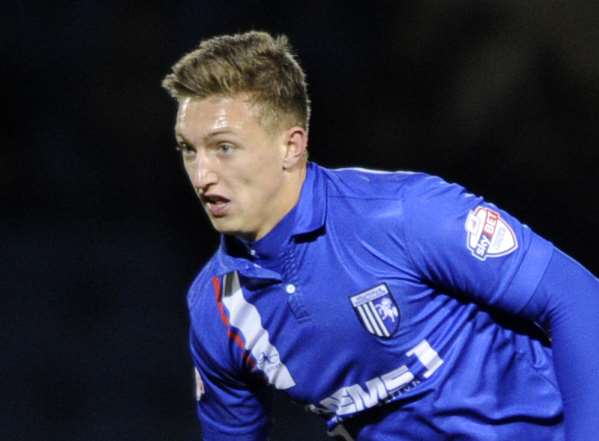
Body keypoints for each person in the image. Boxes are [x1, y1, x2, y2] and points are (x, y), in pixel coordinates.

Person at [161, 31, 599, 441]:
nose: (202, 175)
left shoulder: (405, 214)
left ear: (291, 146)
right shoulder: (217, 311)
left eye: (223, 147)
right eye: (188, 150)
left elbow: (577, 298)